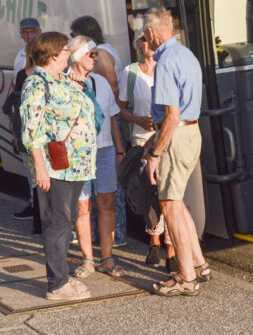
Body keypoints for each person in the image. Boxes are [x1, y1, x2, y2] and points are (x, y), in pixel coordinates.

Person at [20, 31, 95, 301]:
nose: (69, 54)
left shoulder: (61, 79)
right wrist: (40, 168)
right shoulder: (36, 84)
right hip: (55, 167)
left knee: (67, 221)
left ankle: (62, 277)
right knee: (57, 223)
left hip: (75, 166)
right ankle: (56, 284)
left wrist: (79, 83)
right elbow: (32, 131)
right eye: (66, 50)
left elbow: (82, 110)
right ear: (53, 55)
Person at [142, 7, 210, 296]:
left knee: (169, 205)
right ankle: (199, 264)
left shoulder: (167, 61)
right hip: (191, 131)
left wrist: (155, 153)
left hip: (176, 133)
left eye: (145, 31)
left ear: (153, 33)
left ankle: (185, 277)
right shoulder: (186, 54)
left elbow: (171, 117)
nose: (145, 36)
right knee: (177, 201)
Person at [68, 36, 126, 279]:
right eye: (90, 54)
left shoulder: (100, 81)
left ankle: (107, 258)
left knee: (106, 203)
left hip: (104, 150)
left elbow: (112, 117)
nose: (95, 58)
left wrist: (120, 149)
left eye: (95, 54)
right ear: (75, 57)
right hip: (79, 153)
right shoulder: (64, 84)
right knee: (83, 207)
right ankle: (88, 259)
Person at [117, 31, 175, 268]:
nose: (145, 43)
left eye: (148, 39)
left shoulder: (167, 67)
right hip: (142, 142)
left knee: (169, 197)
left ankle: (171, 251)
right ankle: (154, 243)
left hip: (167, 142)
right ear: (138, 45)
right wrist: (139, 120)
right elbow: (120, 109)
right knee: (149, 196)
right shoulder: (129, 73)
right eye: (141, 40)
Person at [10, 17, 42, 222]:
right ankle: (34, 204)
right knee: (30, 170)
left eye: (32, 31)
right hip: (24, 122)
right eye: (25, 32)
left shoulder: (44, 53)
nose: (29, 35)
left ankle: (40, 210)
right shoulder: (19, 57)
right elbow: (16, 93)